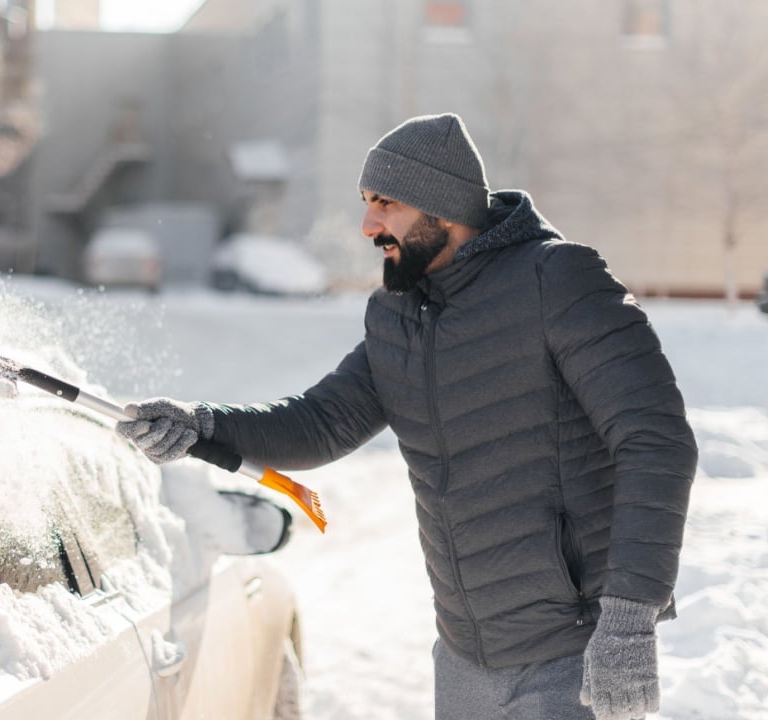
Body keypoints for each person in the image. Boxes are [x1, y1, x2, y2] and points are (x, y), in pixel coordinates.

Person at [116, 113, 696, 720]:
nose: (369, 225)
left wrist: (628, 620)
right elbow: (323, 421)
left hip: (570, 653)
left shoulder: (558, 279)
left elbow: (656, 441)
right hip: (465, 656)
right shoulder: (398, 315)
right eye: (367, 202)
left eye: (385, 203)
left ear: (441, 208)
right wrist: (201, 424)